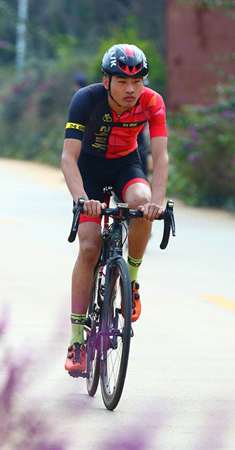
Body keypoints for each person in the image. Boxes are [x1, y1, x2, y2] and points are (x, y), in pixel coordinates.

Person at [61, 44, 168, 372]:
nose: (131, 89)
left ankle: (131, 281)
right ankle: (77, 341)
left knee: (141, 201)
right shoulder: (86, 100)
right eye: (122, 81)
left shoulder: (152, 101)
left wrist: (158, 204)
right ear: (106, 81)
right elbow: (68, 158)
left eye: (137, 82)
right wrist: (82, 199)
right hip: (89, 171)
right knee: (90, 248)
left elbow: (161, 157)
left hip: (126, 164)